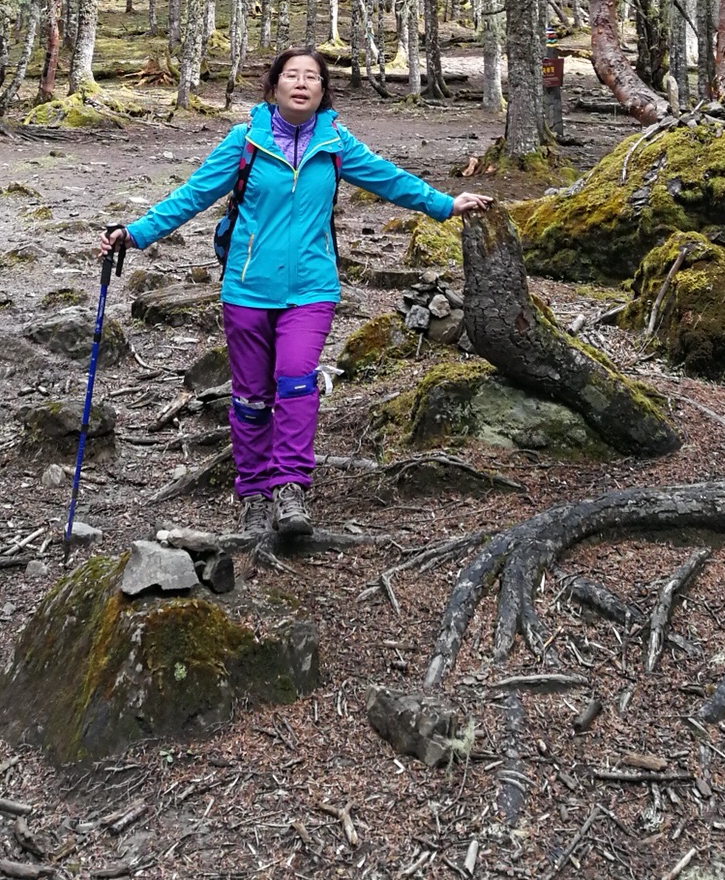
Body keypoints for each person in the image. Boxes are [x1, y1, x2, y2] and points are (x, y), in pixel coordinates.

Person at [101, 47, 490, 539]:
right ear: (275, 86)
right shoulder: (245, 140)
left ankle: (290, 488)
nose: (301, 84)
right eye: (292, 76)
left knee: (296, 381)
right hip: (246, 290)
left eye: (312, 77)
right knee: (250, 398)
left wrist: (443, 204)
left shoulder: (336, 143)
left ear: (324, 91)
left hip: (311, 288)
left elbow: (388, 179)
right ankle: (254, 494)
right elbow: (192, 195)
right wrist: (133, 234)